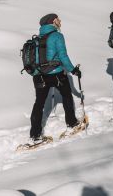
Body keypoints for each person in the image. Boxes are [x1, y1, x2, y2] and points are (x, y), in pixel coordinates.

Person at [29, 13, 82, 142]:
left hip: (39, 75)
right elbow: (63, 56)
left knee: (39, 103)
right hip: (56, 74)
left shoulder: (37, 38)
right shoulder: (57, 36)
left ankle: (35, 134)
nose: (60, 20)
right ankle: (72, 123)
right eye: (57, 19)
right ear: (52, 21)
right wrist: (73, 70)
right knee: (67, 97)